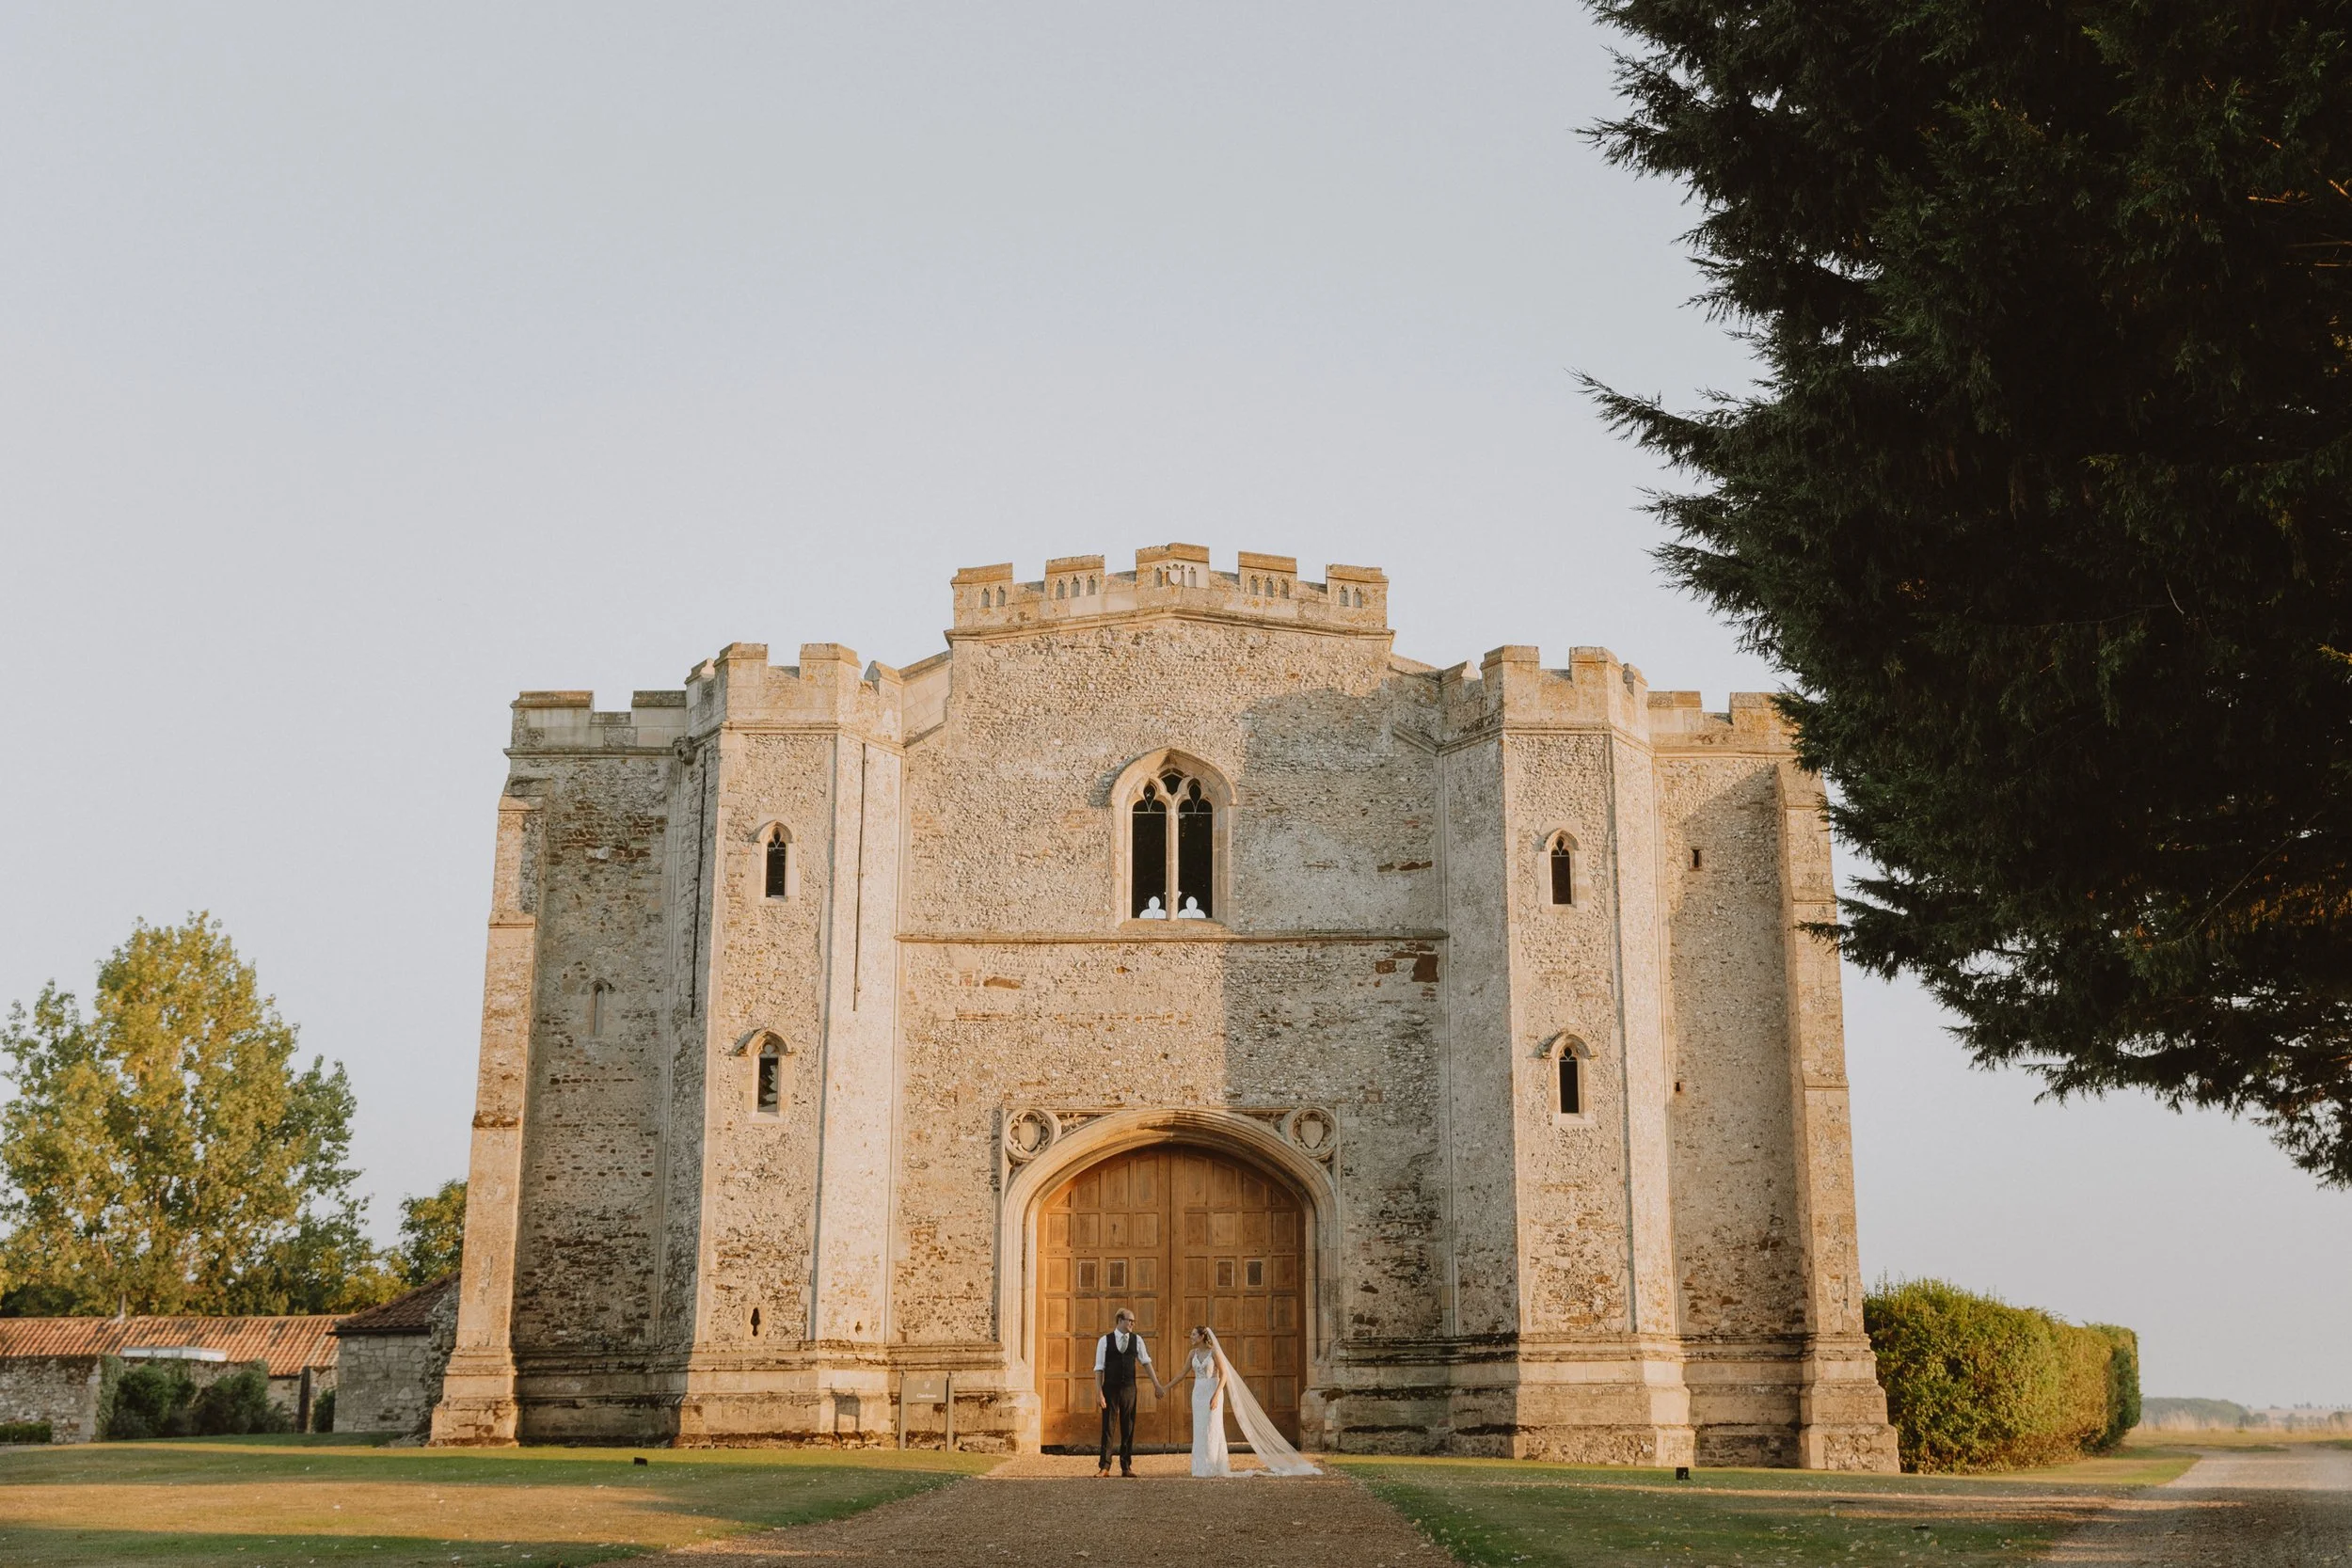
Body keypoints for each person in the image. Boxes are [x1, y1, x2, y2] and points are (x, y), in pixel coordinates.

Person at [1168, 1325, 1320, 1478]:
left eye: (1194, 1334)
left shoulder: (1214, 1352)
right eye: (1191, 1334)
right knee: (1200, 1429)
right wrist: (1165, 1387)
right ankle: (1200, 1468)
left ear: (1202, 1337)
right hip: (1198, 1394)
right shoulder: (1192, 1354)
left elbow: (1224, 1375)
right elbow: (1182, 1374)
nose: (1191, 1337)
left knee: (1212, 1427)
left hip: (1212, 1392)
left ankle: (1213, 1466)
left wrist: (1216, 1395)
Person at [1094, 1308, 1163, 1477]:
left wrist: (1157, 1385)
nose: (1132, 1323)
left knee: (1128, 1426)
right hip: (1110, 1388)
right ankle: (1105, 1466)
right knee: (1108, 1427)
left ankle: (1126, 1466)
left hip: (1129, 1388)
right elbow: (1099, 1368)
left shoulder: (1137, 1340)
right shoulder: (1105, 1340)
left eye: (1134, 1321)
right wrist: (1099, 1392)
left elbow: (1146, 1362)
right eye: (1129, 1320)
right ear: (1119, 1320)